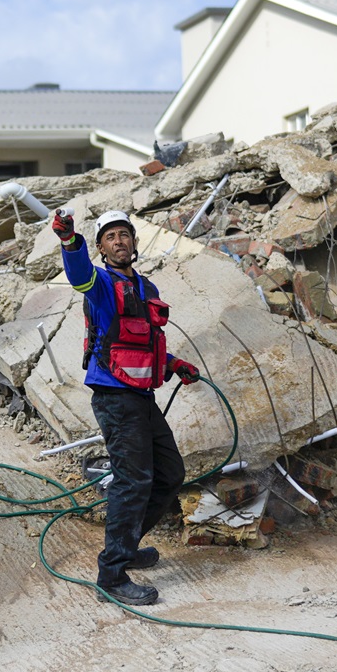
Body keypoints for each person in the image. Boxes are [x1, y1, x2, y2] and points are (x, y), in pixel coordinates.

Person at [53, 208, 202, 606]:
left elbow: (145, 341)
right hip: (115, 398)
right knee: (132, 482)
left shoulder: (146, 288)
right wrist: (70, 240)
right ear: (101, 247)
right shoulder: (99, 282)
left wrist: (173, 364)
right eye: (111, 236)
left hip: (142, 397)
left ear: (134, 242)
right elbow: (78, 273)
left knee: (170, 475)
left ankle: (128, 543)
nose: (119, 241)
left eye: (125, 234)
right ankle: (112, 575)